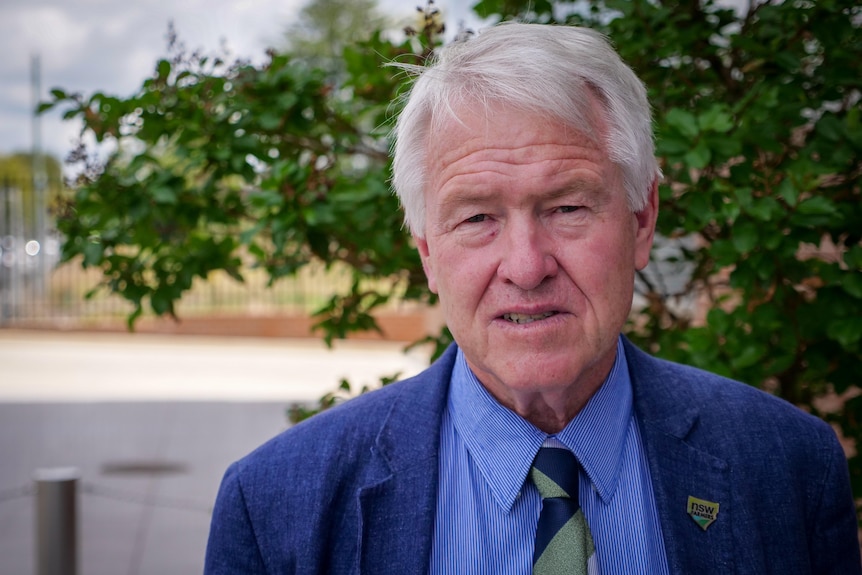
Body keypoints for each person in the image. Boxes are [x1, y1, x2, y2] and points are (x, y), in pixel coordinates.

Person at [204, 22, 860, 574]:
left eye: (568, 206)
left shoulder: (787, 464)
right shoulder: (274, 505)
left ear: (641, 219)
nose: (525, 265)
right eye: (477, 217)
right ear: (428, 251)